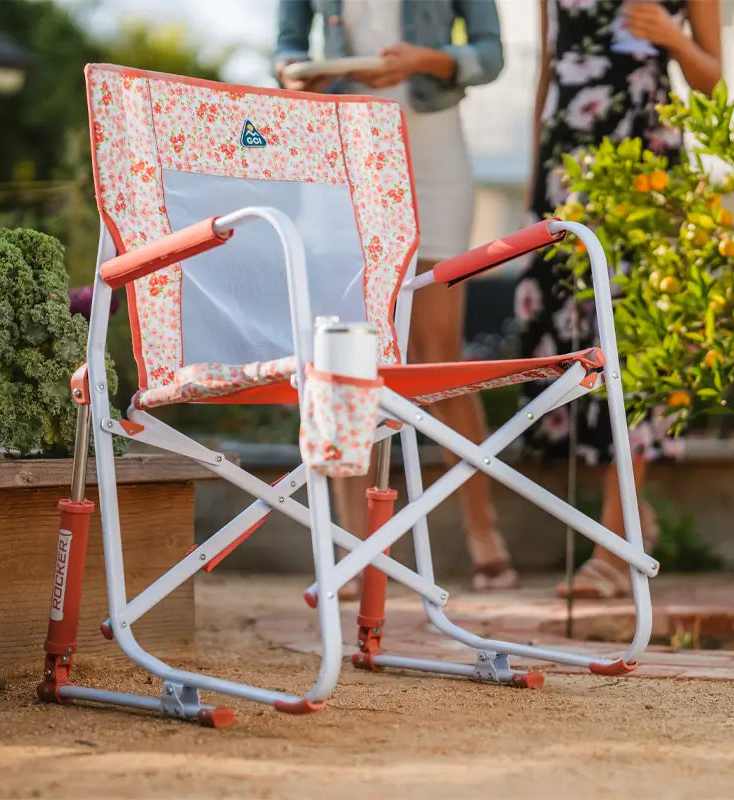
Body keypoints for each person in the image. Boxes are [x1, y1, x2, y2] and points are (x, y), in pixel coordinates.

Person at [275, 0, 517, 593]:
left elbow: (490, 54)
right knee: (347, 355)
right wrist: (301, 71)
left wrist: (424, 61)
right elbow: (285, 49)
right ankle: (357, 543)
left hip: (433, 151)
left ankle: (482, 531)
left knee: (440, 357)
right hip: (343, 148)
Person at [517, 0, 722, 598]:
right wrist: (537, 172)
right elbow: (550, 64)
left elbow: (714, 83)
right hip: (566, 157)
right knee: (577, 336)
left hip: (643, 155)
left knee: (633, 332)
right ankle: (628, 521)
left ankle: (614, 539)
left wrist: (674, 41)